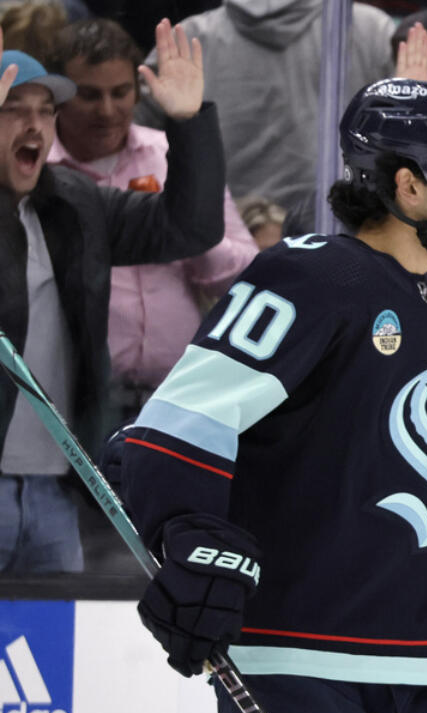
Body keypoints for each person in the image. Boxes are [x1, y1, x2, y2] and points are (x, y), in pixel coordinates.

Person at [118, 78, 427, 713]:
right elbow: (178, 420)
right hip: (306, 661)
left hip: (424, 662)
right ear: (407, 185)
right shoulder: (313, 275)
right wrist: (187, 529)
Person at [1, 20, 226, 575]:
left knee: (51, 656)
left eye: (46, 110)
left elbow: (190, 229)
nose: (36, 123)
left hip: (57, 491)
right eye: (14, 109)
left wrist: (188, 123)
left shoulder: (76, 203)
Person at [46, 18, 258, 422]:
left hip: (179, 396)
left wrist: (187, 225)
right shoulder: (38, 175)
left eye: (120, 93)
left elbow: (246, 276)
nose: (107, 111)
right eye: (89, 96)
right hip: (76, 405)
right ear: (58, 95)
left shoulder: (173, 156)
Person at [134, 0, 396, 209]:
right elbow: (128, 140)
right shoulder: (372, 29)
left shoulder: (188, 38)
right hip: (334, 238)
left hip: (222, 239)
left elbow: (125, 142)